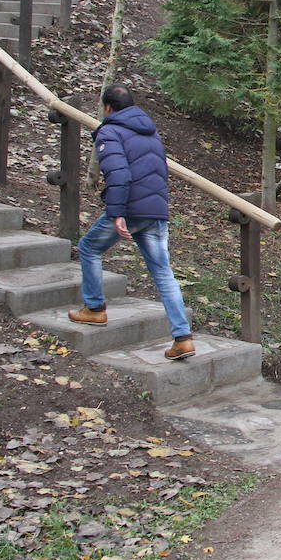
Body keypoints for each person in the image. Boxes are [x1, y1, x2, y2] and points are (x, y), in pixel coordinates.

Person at [68, 85, 195, 360]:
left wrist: (117, 213)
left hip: (132, 209)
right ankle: (183, 337)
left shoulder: (110, 131)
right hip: (156, 211)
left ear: (108, 108)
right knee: (163, 273)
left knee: (89, 247)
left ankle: (94, 309)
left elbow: (118, 174)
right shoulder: (150, 132)